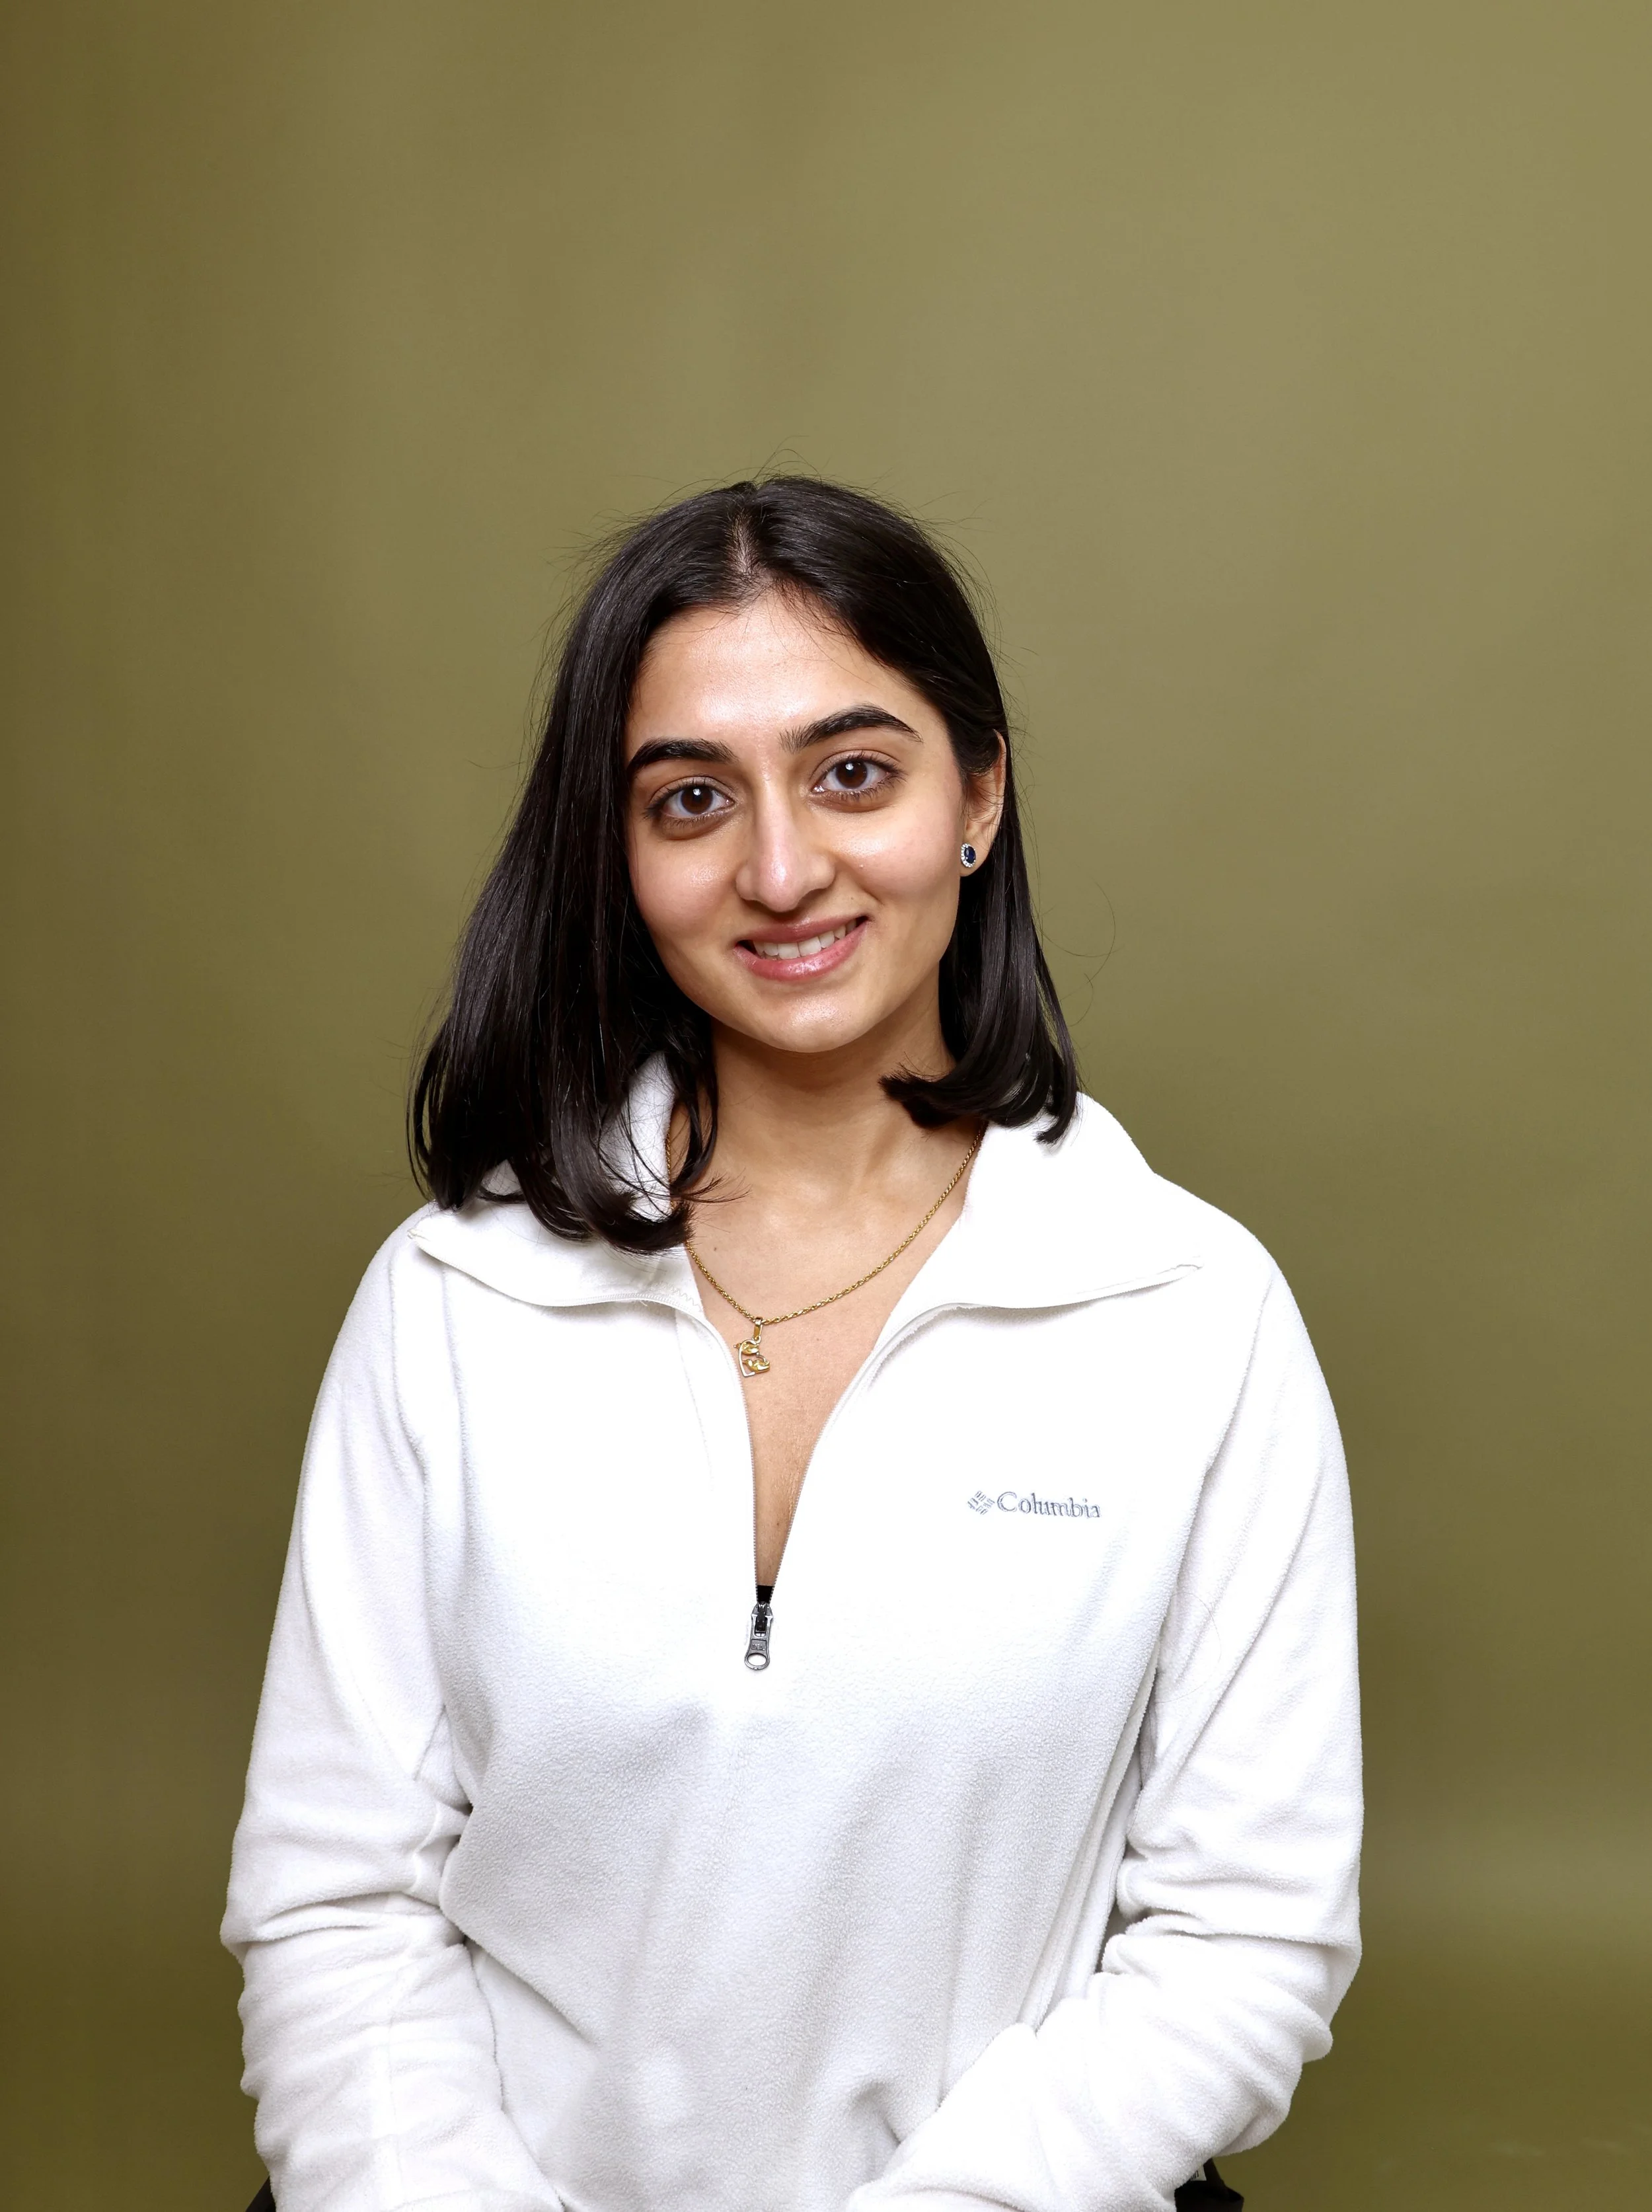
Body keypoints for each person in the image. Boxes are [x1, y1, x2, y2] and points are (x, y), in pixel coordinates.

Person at [223, 477, 1361, 2212]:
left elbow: (1240, 1934)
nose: (777, 869)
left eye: (852, 771)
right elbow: (336, 1899)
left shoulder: (1191, 1314)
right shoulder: (452, 1297)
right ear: (619, 854)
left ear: (975, 797)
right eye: (691, 799)